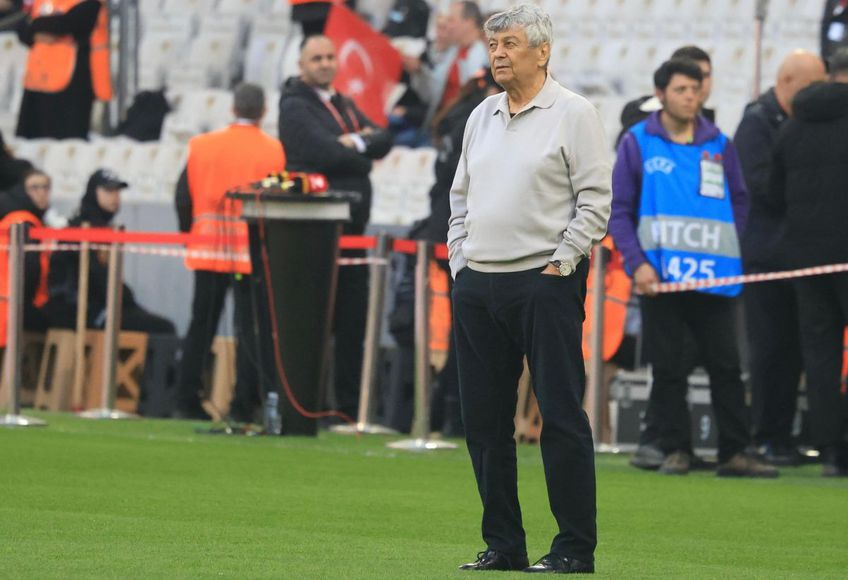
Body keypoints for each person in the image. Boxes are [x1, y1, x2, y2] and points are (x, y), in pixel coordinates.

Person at [448, 5, 610, 573]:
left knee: (560, 416)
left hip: (544, 281)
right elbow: (460, 196)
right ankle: (504, 545)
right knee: (483, 422)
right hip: (479, 283)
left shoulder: (574, 112)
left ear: (542, 52)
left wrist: (561, 265)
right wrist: (460, 263)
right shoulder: (481, 115)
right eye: (493, 44)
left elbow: (596, 201)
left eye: (510, 43)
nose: (498, 53)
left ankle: (574, 549)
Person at [609, 58, 778, 479]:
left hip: (713, 275)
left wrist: (729, 246)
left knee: (726, 366)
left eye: (696, 90)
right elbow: (619, 210)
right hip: (661, 278)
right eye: (682, 90)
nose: (691, 97)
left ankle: (735, 452)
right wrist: (637, 264)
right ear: (661, 94)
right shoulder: (638, 142)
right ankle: (676, 450)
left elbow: (740, 200)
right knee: (668, 369)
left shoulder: (719, 143)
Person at [278, 35, 392, 420]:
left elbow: (384, 138)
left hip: (352, 229)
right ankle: (310, 406)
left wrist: (351, 144)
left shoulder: (342, 102)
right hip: (316, 231)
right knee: (316, 322)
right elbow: (320, 151)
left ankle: (347, 407)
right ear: (301, 65)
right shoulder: (295, 105)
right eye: (317, 58)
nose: (326, 63)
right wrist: (362, 154)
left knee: (352, 321)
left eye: (330, 56)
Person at [173, 83, 287, 423]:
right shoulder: (274, 151)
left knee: (201, 325)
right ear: (264, 112)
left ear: (233, 108)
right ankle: (243, 404)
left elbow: (183, 196)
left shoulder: (202, 146)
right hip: (250, 253)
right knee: (249, 329)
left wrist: (190, 234)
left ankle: (186, 399)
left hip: (208, 247)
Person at [734, 50, 826, 466]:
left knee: (793, 350)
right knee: (769, 350)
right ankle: (766, 436)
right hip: (765, 259)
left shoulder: (799, 121)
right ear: (786, 82)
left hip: (796, 255)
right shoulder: (756, 122)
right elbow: (759, 185)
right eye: (811, 85)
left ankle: (784, 435)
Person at [766, 48, 848, 477]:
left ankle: (830, 449)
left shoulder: (793, 126)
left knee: (820, 354)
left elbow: (773, 193)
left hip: (806, 259)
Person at [46, 169, 175, 336]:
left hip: (96, 305)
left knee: (158, 326)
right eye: (108, 191)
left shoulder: (102, 227)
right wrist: (125, 298)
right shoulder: (81, 229)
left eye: (117, 191)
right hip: (78, 309)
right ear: (93, 193)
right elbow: (96, 277)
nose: (115, 197)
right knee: (163, 329)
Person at [15, 0, 111, 140]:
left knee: (67, 144)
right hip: (37, 84)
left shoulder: (89, 3)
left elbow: (68, 24)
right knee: (30, 144)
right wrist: (37, 32)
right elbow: (21, 26)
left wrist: (36, 25)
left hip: (72, 87)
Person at [617, 45, 715, 145]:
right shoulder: (639, 124)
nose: (701, 83)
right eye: (692, 77)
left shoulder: (709, 126)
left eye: (706, 75)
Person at [0, 168, 51, 346]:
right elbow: (29, 270)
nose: (41, 193)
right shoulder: (25, 221)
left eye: (45, 187)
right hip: (12, 307)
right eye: (34, 187)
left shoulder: (10, 217)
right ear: (22, 190)